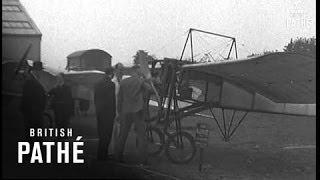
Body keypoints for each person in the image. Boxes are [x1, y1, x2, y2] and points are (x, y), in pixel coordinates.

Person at [115, 65, 153, 165]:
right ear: (136, 71)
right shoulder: (140, 81)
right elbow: (149, 89)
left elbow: (119, 99)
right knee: (141, 136)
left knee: (122, 135)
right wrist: (147, 80)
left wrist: (119, 112)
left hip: (125, 111)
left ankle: (118, 157)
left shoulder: (123, 82)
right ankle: (142, 161)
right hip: (137, 111)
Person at [20, 61, 47, 141]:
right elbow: (26, 97)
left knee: (34, 131)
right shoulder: (30, 82)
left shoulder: (36, 82)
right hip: (32, 110)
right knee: (32, 131)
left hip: (35, 110)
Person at [94, 67, 116, 161]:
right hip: (108, 113)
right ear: (111, 73)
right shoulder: (111, 84)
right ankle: (104, 155)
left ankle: (100, 154)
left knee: (101, 133)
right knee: (107, 134)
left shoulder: (97, 83)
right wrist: (114, 112)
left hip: (100, 112)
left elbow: (95, 98)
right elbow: (111, 100)